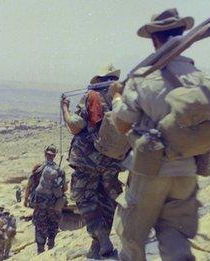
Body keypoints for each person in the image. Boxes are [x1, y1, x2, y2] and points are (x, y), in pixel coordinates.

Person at [110, 8, 203, 261]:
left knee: (132, 238)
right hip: (187, 170)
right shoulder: (198, 77)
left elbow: (121, 124)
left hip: (150, 171)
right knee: (174, 235)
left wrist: (117, 97)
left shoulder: (145, 78)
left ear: (154, 39)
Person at [60, 65, 123, 259]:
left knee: (84, 196)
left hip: (87, 159)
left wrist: (65, 109)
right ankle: (97, 245)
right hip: (113, 160)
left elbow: (75, 126)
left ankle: (101, 236)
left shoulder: (92, 96)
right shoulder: (121, 97)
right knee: (107, 198)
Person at [25, 145, 67, 254]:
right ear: (54, 156)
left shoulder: (38, 169)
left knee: (40, 226)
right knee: (53, 225)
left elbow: (29, 186)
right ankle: (51, 248)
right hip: (54, 206)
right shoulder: (60, 170)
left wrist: (26, 200)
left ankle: (40, 251)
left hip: (40, 205)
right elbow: (65, 188)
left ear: (45, 154)